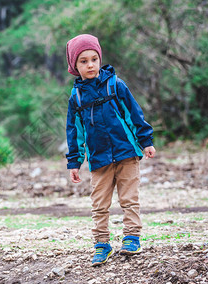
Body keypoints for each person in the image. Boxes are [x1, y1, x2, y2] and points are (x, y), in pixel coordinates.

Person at [65, 34, 156, 266]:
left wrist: (146, 141)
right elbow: (74, 132)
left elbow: (134, 113)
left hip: (127, 153)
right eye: (83, 61)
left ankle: (132, 237)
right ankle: (102, 244)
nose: (90, 65)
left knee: (129, 199)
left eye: (94, 59)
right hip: (99, 159)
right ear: (74, 66)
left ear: (100, 58)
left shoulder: (116, 85)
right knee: (99, 204)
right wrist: (74, 162)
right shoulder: (76, 97)